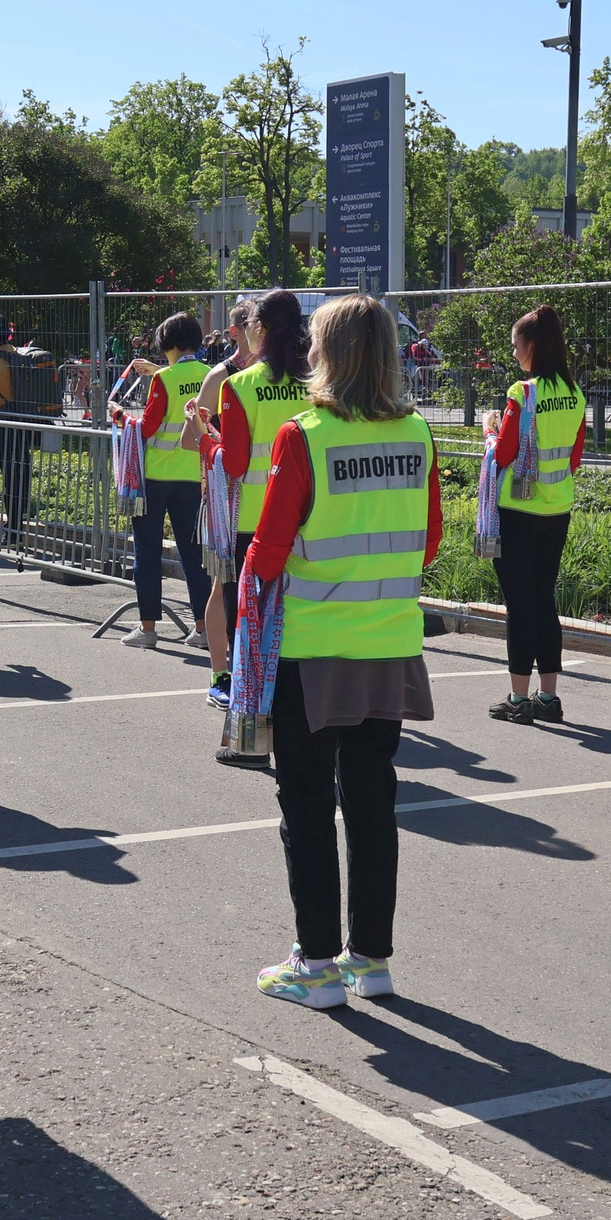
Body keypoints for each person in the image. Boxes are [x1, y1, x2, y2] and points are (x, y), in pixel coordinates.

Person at [240, 295, 443, 1009]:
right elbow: (429, 540)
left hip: (313, 647)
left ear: (328, 353)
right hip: (389, 643)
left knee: (304, 804)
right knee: (372, 800)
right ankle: (371, 958)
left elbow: (266, 553)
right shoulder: (418, 432)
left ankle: (318, 963)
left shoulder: (305, 435)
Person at [186, 290, 309, 723]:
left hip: (251, 521)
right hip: (307, 519)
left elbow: (235, 463)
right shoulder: (316, 382)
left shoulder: (239, 385)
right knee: (296, 614)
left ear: (257, 329)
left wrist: (204, 439)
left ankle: (248, 713)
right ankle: (294, 703)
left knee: (248, 618)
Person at [483, 304, 589, 725]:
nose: (513, 354)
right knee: (544, 599)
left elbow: (504, 453)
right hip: (557, 508)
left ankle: (517, 698)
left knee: (519, 605)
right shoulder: (575, 393)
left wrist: (490, 430)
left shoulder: (522, 394)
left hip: (517, 511)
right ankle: (548, 697)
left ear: (532, 346)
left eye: (516, 346)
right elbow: (574, 458)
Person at [106, 312, 214, 650]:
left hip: (154, 478)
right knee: (194, 555)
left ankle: (148, 628)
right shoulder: (211, 375)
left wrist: (118, 414)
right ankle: (202, 629)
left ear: (165, 344)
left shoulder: (163, 379)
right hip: (194, 477)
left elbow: (147, 426)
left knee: (147, 553)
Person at [0, 312, 41, 538]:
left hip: (3, 426)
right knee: (19, 475)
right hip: (24, 423)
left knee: (9, 479)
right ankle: (17, 526)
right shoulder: (21, 355)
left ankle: (12, 532)